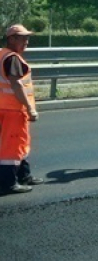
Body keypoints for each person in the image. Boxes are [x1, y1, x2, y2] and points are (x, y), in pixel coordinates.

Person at [0, 24, 43, 194]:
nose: (27, 41)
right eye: (23, 37)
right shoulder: (13, 58)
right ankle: (9, 182)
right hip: (12, 110)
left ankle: (24, 174)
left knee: (20, 143)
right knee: (12, 147)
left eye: (27, 37)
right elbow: (16, 84)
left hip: (4, 108)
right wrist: (30, 107)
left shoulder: (2, 54)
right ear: (11, 39)